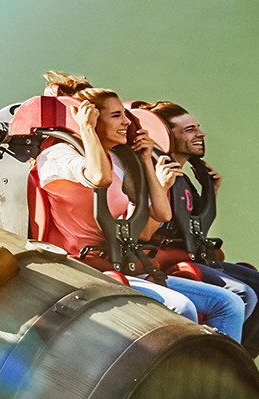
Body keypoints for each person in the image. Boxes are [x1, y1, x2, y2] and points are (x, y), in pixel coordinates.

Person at [34, 75, 246, 340]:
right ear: (90, 118)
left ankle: (225, 373)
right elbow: (98, 177)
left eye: (124, 115)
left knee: (229, 304)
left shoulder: (120, 159)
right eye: (116, 116)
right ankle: (184, 374)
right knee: (181, 308)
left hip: (126, 264)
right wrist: (86, 129)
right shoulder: (58, 156)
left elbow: (161, 213)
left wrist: (145, 161)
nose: (126, 122)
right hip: (85, 268)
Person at [141, 100, 259, 357]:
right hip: (157, 263)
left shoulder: (184, 179)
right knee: (242, 294)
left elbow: (190, 233)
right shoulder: (150, 175)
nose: (201, 134)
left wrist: (209, 196)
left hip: (189, 256)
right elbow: (143, 230)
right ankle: (220, 366)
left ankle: (242, 365)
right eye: (189, 130)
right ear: (164, 135)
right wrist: (162, 188)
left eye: (198, 127)